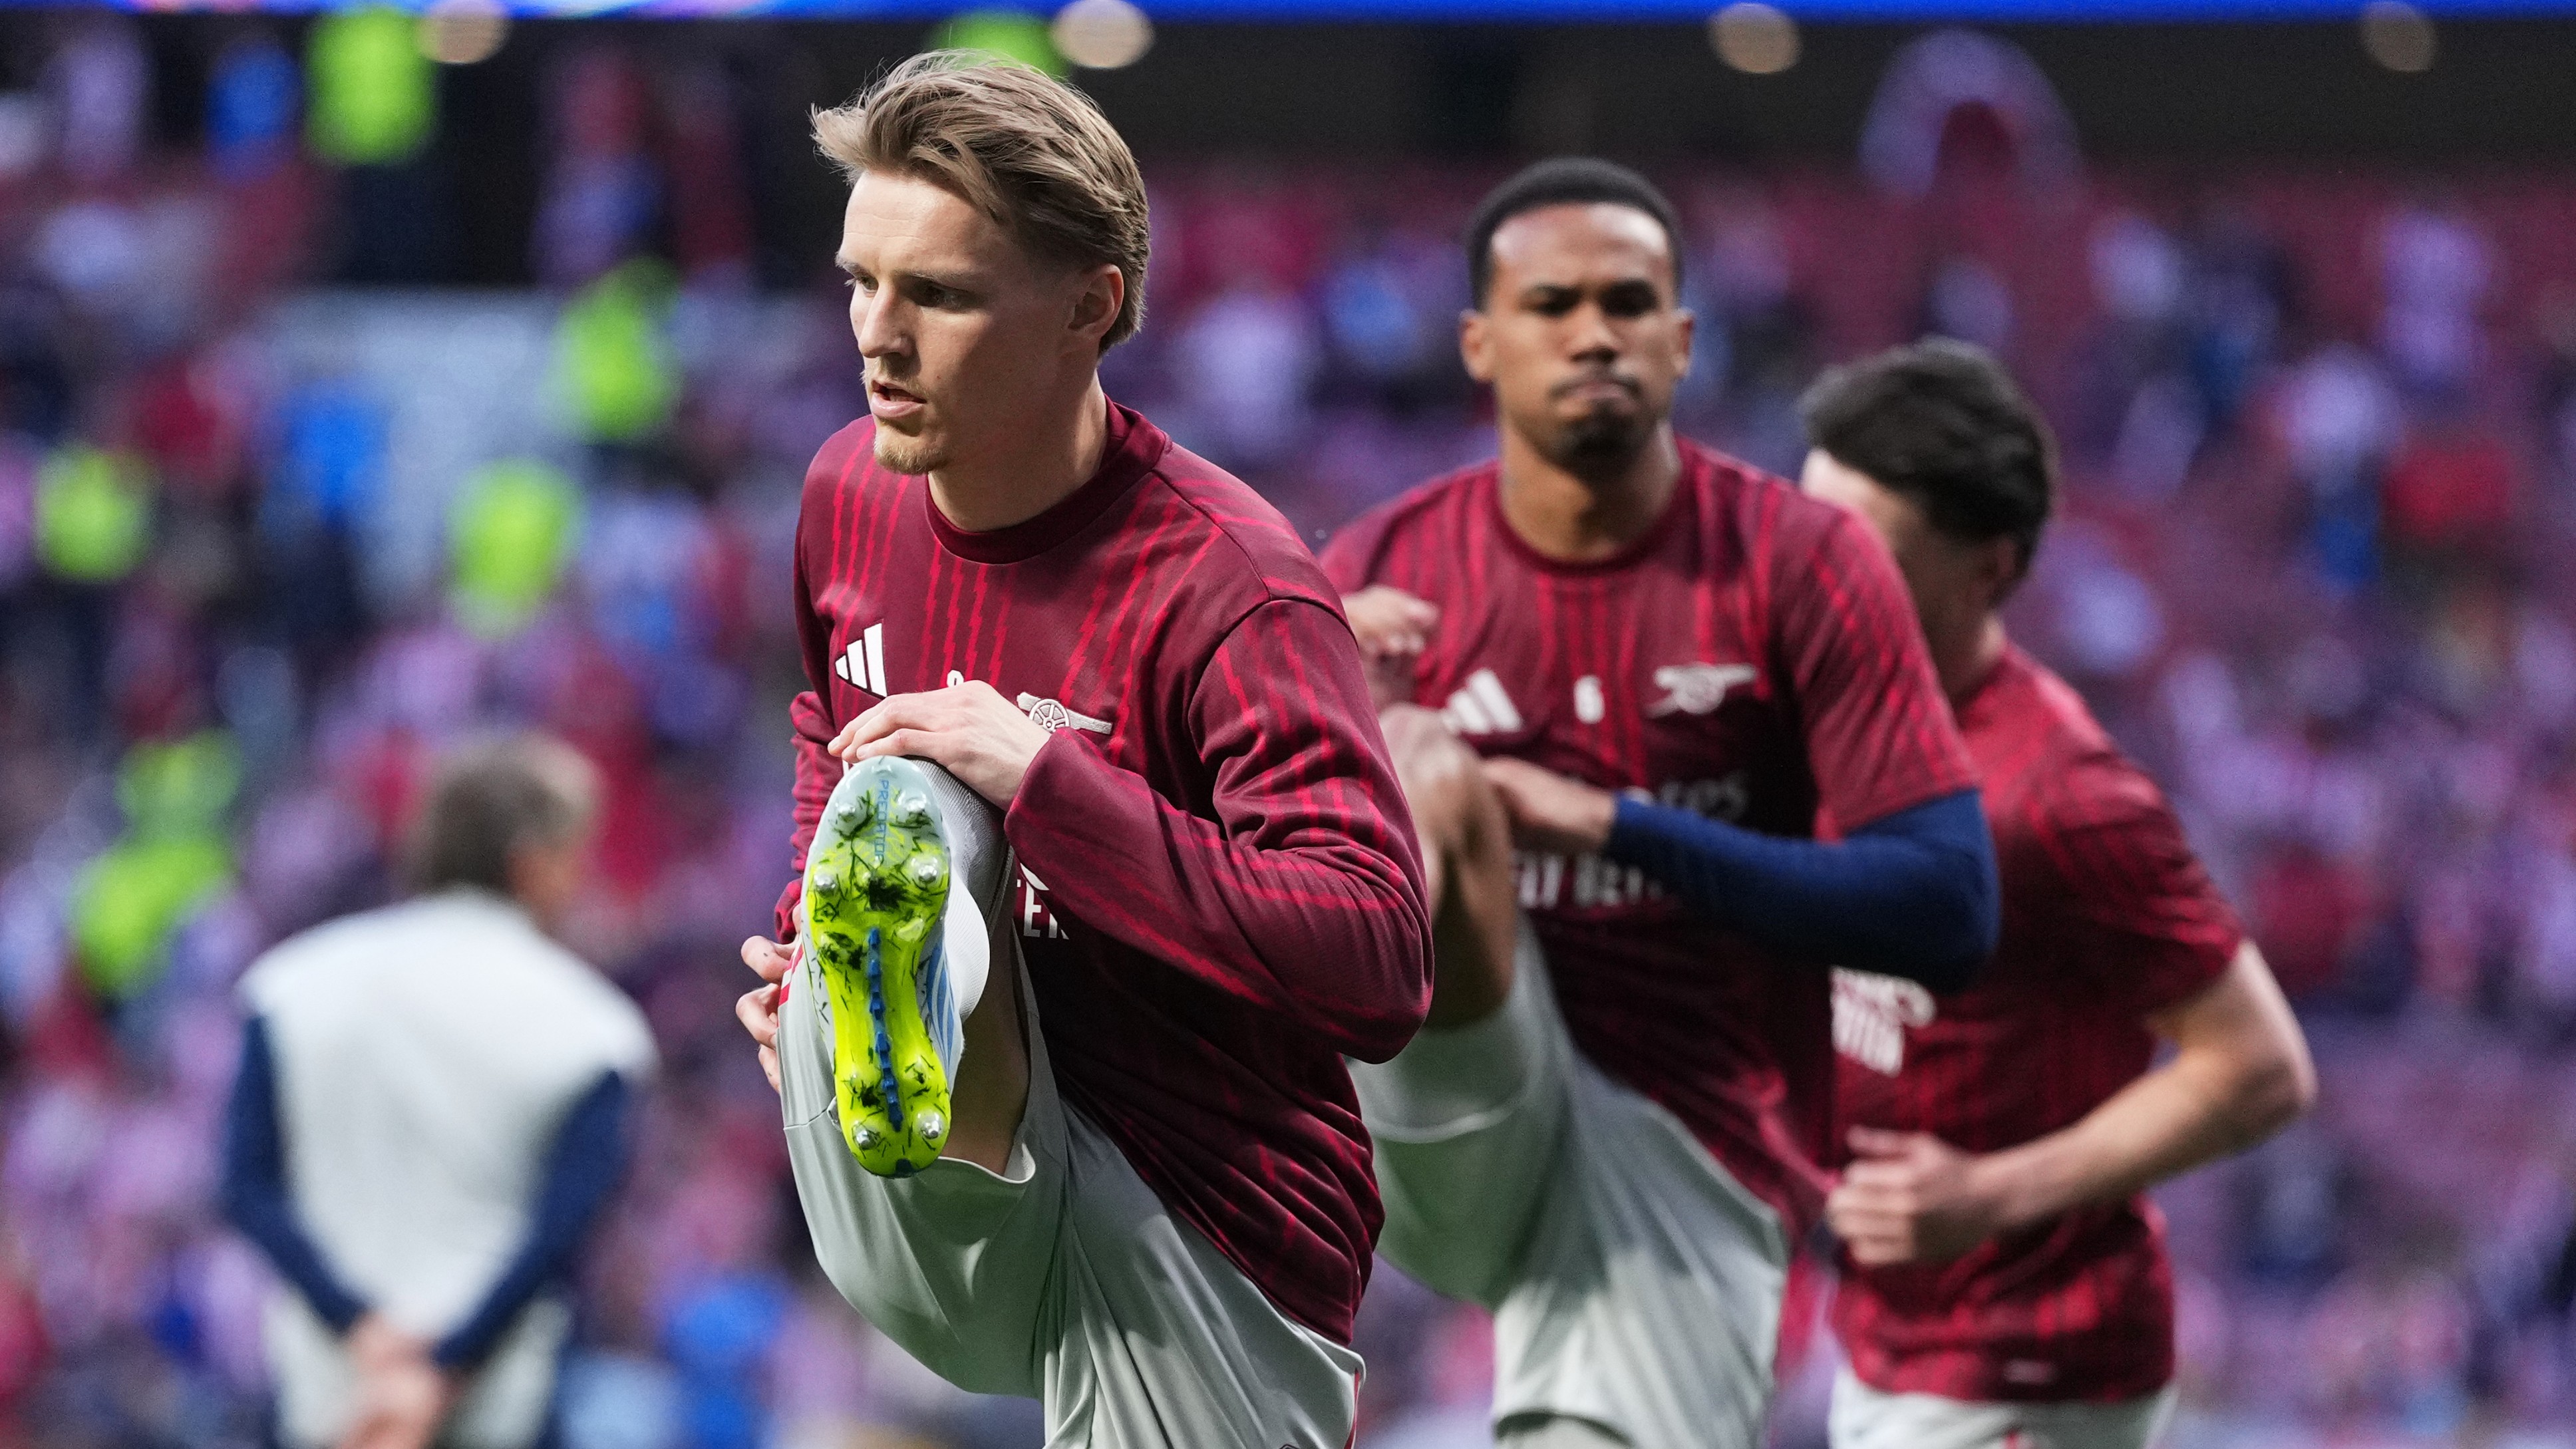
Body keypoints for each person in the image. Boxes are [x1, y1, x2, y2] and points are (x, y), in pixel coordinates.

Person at [726, 53, 1431, 1448]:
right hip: (961, 1156)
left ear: (1089, 307)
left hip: (1194, 1205)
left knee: (959, 775)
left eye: (938, 294)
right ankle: (861, 1019)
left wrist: (1053, 785)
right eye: (860, 281)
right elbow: (829, 720)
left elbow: (1378, 959)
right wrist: (803, 936)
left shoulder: (1234, 585)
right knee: (902, 789)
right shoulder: (844, 493)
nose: (877, 335)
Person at [1320, 158, 1999, 1449]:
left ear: (1681, 340)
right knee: (1408, 760)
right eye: (1551, 304)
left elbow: (1947, 905)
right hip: (1448, 1105)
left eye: (1627, 303)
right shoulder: (1379, 568)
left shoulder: (1801, 565)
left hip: (1690, 1139)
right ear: (1478, 343)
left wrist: (1607, 822)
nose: (1593, 334)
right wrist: (1313, 710)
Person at [1799, 339, 2316, 1449]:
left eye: (1858, 549)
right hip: (1892, 1340)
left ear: (1984, 568)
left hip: (2032, 1366)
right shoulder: (1818, 728)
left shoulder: (2057, 794)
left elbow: (2261, 1065)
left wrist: (1990, 1192)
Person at [221, 734, 653, 1449]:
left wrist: (360, 1331)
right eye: (574, 854)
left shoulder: (288, 986)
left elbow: (247, 1186)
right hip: (497, 1408)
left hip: (330, 1399)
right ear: (530, 863)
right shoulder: (595, 1029)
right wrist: (443, 1367)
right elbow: (562, 1233)